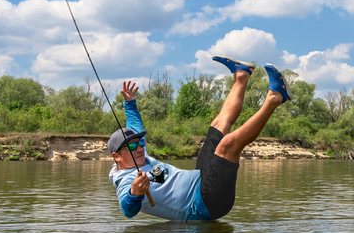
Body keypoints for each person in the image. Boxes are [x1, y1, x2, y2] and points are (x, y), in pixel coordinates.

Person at [107, 57, 291, 221]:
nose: (140, 147)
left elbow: (135, 127)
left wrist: (130, 103)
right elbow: (127, 210)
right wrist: (135, 193)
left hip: (201, 178)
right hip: (204, 205)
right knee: (227, 145)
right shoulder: (125, 180)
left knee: (218, 125)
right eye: (133, 146)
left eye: (140, 143)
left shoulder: (139, 154)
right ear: (117, 156)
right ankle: (275, 98)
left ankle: (241, 76)